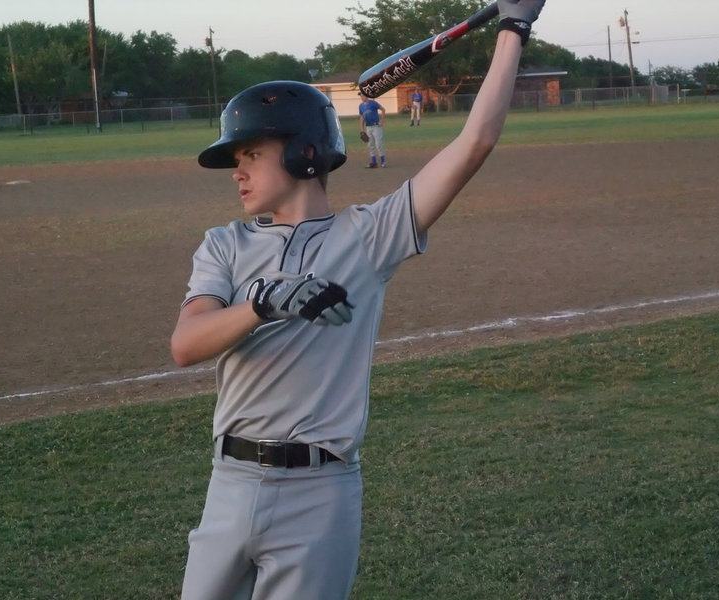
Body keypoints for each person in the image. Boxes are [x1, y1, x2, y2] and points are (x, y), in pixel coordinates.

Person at [170, 1, 546, 598]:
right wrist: (264, 301)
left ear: (302, 152)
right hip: (230, 482)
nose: (236, 173)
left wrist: (513, 27)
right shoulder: (225, 245)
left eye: (249, 155)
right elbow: (186, 345)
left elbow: (473, 143)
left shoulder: (371, 236)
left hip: (318, 496)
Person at [358, 91, 386, 168]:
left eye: (363, 95)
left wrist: (382, 121)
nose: (362, 97)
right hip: (368, 127)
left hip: (376, 126)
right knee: (370, 145)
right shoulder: (361, 106)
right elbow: (362, 117)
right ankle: (374, 163)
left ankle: (383, 161)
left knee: (378, 144)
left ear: (367, 96)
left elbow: (383, 109)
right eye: (361, 96)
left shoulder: (373, 103)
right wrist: (361, 129)